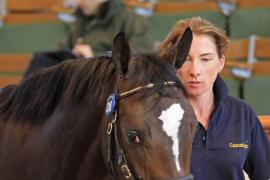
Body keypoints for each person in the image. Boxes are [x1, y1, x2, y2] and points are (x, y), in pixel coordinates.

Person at [159, 16, 270, 180]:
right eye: (186, 59)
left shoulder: (242, 113)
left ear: (220, 63)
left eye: (205, 59)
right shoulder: (156, 117)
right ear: (172, 63)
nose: (195, 70)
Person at [24, 0, 153, 77]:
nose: (78, 2)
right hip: (76, 80)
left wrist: (95, 57)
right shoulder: (81, 22)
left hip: (105, 82)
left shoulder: (132, 20)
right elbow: (63, 49)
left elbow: (141, 57)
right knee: (41, 62)